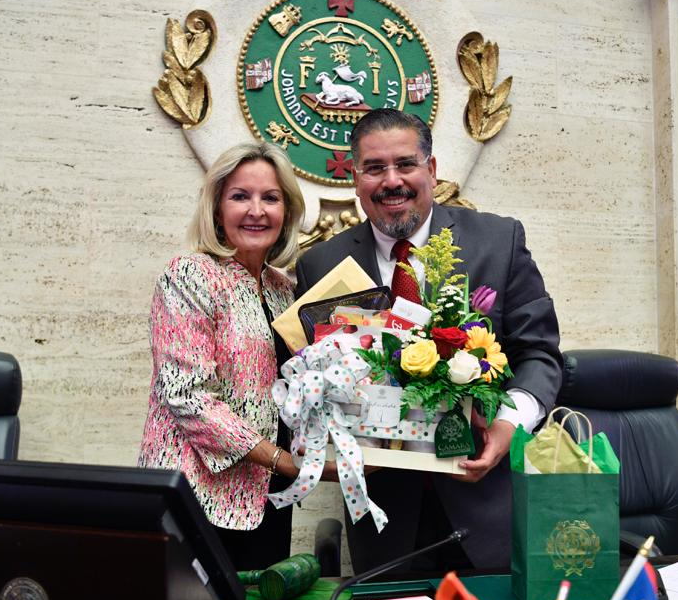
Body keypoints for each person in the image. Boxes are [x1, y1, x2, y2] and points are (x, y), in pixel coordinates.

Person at [295, 109, 563, 573]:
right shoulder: (320, 266)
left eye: (405, 164)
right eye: (374, 168)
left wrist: (508, 426)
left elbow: (538, 353)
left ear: (432, 170)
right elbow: (315, 379)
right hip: (384, 521)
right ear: (355, 179)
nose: (391, 181)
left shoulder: (498, 241)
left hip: (487, 504)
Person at [138, 142, 333, 570]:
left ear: (287, 211)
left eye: (270, 198)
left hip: (269, 497)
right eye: (240, 196)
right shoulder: (189, 275)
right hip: (196, 497)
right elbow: (187, 396)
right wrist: (284, 461)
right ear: (217, 208)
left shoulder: (283, 289)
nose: (256, 211)